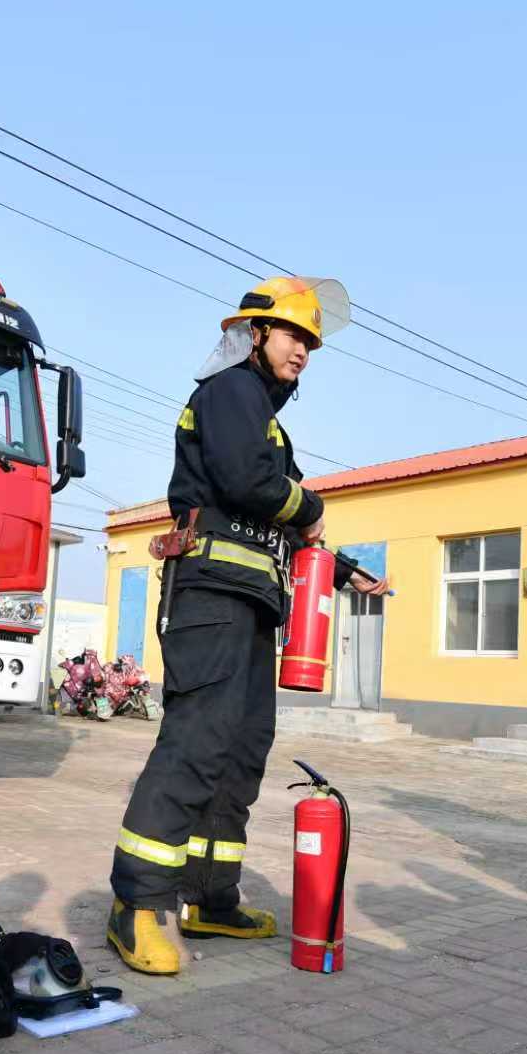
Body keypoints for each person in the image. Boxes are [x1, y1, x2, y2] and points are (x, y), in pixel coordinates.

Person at [107, 277, 388, 976]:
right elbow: (248, 484)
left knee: (239, 752)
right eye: (293, 336)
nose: (303, 352)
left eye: (310, 342)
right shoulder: (230, 389)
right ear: (254, 334)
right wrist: (311, 507)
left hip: (252, 600)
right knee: (196, 743)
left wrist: (343, 569)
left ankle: (209, 898)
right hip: (209, 595)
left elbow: (278, 518)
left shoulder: (264, 417)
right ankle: (136, 904)